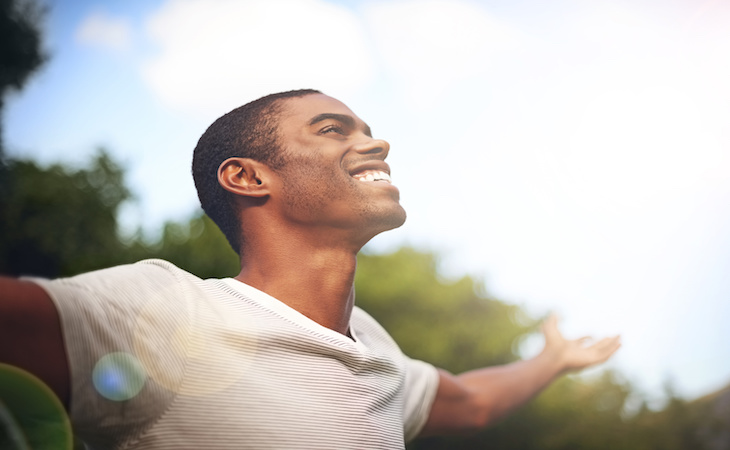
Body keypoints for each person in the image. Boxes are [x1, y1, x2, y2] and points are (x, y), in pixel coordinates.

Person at [0, 89, 621, 449]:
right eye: (333, 129)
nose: (377, 144)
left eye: (369, 131)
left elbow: (475, 403)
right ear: (247, 177)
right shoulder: (169, 315)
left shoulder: (372, 345)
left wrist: (553, 360)